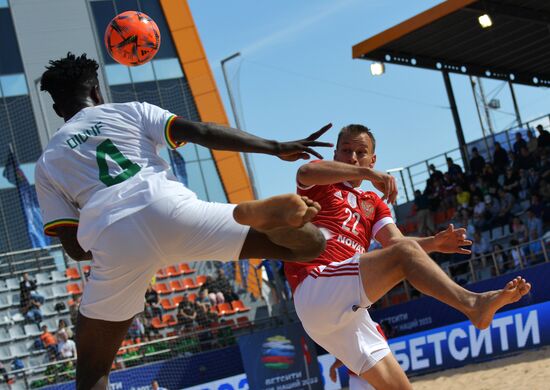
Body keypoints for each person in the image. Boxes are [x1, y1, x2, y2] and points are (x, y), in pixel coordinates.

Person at [36, 53, 330, 389]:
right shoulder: (130, 110)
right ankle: (262, 216)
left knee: (93, 370)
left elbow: (74, 248)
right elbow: (203, 131)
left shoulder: (49, 162)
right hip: (170, 208)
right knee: (310, 246)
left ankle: (259, 216)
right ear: (97, 92)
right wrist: (275, 146)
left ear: (58, 110)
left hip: (112, 237)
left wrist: (113, 248)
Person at [285, 124, 531, 389]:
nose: (353, 157)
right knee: (403, 255)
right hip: (316, 284)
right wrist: (366, 173)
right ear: (335, 154)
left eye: (361, 152)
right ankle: (473, 304)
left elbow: (397, 244)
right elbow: (306, 171)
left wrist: (433, 242)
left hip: (347, 309)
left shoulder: (373, 202)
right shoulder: (322, 183)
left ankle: (474, 305)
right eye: (346, 151)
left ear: (373, 158)